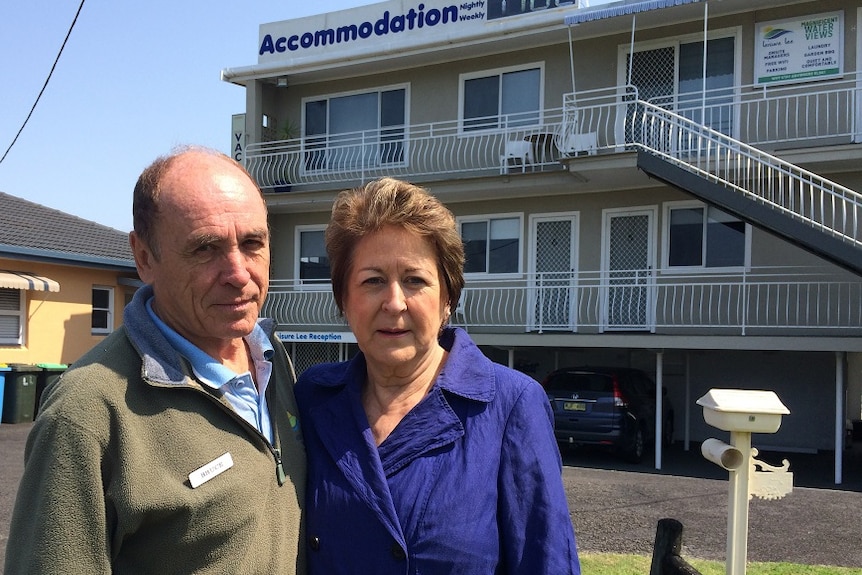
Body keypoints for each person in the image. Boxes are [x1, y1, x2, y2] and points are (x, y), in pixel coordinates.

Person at [4, 147, 306, 574]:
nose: (240, 272)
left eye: (253, 243)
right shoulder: (87, 413)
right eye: (205, 248)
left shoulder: (274, 364)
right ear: (144, 257)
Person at [294, 177, 580, 574]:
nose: (394, 303)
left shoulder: (510, 404)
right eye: (373, 281)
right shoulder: (312, 398)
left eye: (415, 280)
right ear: (344, 299)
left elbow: (546, 561)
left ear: (447, 298)